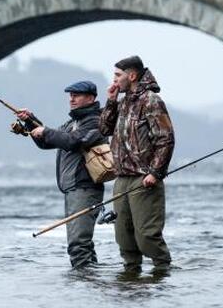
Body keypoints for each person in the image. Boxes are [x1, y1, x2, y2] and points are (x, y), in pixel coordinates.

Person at [16, 80, 107, 268]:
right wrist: (30, 121)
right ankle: (90, 283)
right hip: (74, 190)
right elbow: (47, 141)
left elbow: (73, 142)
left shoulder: (96, 121)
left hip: (85, 189)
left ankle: (83, 287)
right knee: (82, 244)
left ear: (90, 98)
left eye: (77, 95)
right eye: (70, 96)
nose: (71, 99)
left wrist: (45, 131)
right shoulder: (73, 122)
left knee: (78, 245)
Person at [98, 55, 175, 274]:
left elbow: (165, 139)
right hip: (121, 178)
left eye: (118, 75)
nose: (114, 80)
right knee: (124, 235)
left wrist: (155, 173)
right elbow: (104, 129)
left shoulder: (151, 100)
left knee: (146, 235)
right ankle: (130, 279)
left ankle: (162, 274)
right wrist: (111, 101)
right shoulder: (122, 102)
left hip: (144, 179)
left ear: (131, 76)